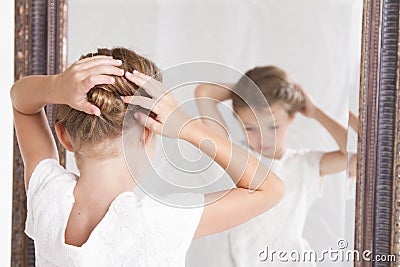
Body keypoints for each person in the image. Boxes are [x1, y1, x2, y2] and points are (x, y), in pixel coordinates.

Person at [10, 47, 285, 267]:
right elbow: (269, 188)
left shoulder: (48, 196)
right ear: (147, 135)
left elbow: (20, 102)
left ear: (63, 135)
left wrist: (56, 86)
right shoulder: (160, 221)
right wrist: (188, 127)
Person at [194, 65, 353, 266]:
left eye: (273, 126)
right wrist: (253, 89)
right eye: (250, 128)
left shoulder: (305, 165)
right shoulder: (235, 157)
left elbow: (359, 153)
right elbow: (204, 93)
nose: (262, 137)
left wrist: (315, 112)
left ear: (292, 116)